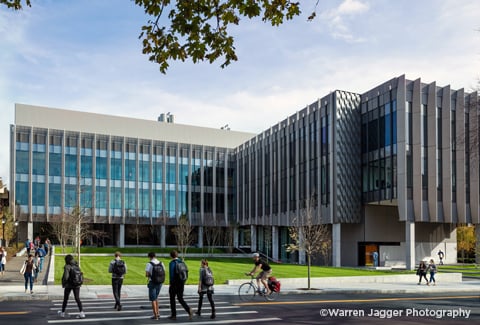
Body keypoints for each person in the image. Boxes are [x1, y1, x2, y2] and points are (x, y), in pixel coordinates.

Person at [168, 250, 192, 320]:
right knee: (180, 298)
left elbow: (172, 275)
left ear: (171, 256)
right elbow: (186, 272)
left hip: (174, 283)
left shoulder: (172, 263)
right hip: (181, 283)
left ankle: (174, 315)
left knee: (172, 299)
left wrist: (171, 283)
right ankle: (188, 309)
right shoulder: (182, 262)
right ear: (177, 255)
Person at [58, 254, 85, 319]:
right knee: (77, 298)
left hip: (69, 285)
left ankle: (63, 312)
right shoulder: (76, 265)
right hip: (77, 284)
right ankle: (81, 312)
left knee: (65, 299)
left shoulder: (67, 266)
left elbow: (65, 277)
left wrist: (64, 283)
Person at [145, 252, 165, 320]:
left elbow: (147, 274)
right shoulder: (161, 263)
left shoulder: (149, 264)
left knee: (153, 299)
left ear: (149, 257)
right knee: (156, 297)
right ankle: (158, 313)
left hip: (152, 282)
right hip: (160, 282)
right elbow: (164, 271)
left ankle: (155, 315)